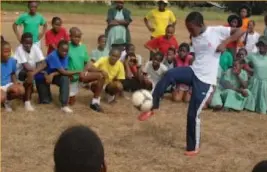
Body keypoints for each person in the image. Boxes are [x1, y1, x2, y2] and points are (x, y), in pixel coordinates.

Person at [138, 11, 244, 156]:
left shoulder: (216, 31)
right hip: (193, 71)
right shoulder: (195, 37)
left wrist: (225, 42)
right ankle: (152, 107)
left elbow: (241, 30)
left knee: (192, 114)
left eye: (191, 28)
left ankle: (192, 147)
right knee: (169, 74)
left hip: (205, 80)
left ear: (200, 24)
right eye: (188, 29)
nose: (190, 32)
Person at [67, 27, 106, 112]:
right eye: (75, 37)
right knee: (71, 102)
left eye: (79, 37)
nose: (77, 39)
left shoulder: (83, 47)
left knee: (101, 75)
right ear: (70, 36)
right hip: (71, 77)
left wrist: (86, 71)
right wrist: (68, 75)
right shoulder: (66, 47)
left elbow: (87, 62)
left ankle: (95, 102)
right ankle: (70, 95)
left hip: (81, 75)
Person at [35, 40, 80, 113]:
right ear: (57, 49)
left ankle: (64, 105)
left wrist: (52, 75)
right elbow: (63, 71)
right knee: (45, 101)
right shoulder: (53, 56)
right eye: (62, 51)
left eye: (66, 51)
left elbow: (63, 70)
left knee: (65, 78)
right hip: (43, 76)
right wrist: (79, 71)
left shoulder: (66, 55)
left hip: (53, 75)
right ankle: (43, 95)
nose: (65, 53)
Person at [14, 32, 46, 112]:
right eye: (26, 43)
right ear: (21, 42)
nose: (28, 45)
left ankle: (43, 97)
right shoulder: (19, 49)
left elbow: (44, 63)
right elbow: (26, 66)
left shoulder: (35, 47)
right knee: (29, 74)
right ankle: (27, 103)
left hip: (32, 71)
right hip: (19, 73)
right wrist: (38, 70)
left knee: (32, 75)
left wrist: (34, 72)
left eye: (30, 43)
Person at [1, 41, 25, 112]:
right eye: (5, 52)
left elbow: (13, 73)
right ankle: (3, 99)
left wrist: (15, 82)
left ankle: (6, 102)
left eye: (9, 51)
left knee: (21, 90)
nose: (8, 54)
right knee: (2, 97)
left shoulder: (12, 61)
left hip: (8, 84)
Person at [246, 36, 267, 114]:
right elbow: (242, 62)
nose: (261, 47)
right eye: (260, 45)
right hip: (255, 83)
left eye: (263, 45)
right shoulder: (252, 55)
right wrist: (249, 70)